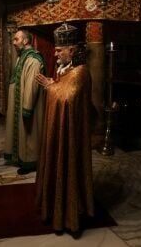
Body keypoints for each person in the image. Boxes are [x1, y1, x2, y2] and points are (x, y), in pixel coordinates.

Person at [34, 23, 94, 239]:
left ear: (73, 50)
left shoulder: (81, 72)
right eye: (56, 49)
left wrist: (50, 87)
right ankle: (54, 205)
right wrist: (53, 83)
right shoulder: (65, 70)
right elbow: (61, 91)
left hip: (72, 136)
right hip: (60, 131)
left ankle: (70, 214)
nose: (55, 53)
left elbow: (67, 98)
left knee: (68, 167)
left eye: (60, 50)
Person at [4, 29, 45, 175]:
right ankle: (21, 157)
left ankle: (31, 162)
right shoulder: (21, 57)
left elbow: (31, 86)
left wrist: (27, 108)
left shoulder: (33, 59)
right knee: (22, 134)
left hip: (28, 105)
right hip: (18, 103)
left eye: (16, 39)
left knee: (30, 134)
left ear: (25, 41)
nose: (13, 42)